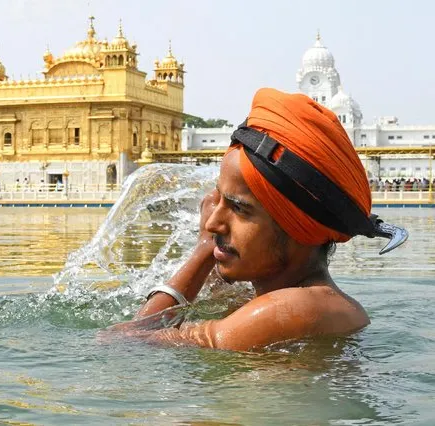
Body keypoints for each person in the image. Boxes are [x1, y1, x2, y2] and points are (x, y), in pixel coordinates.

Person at [109, 88, 408, 351]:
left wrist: (203, 250)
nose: (213, 222)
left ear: (298, 226)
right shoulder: (299, 300)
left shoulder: (292, 309)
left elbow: (126, 343)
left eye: (239, 209)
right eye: (219, 200)